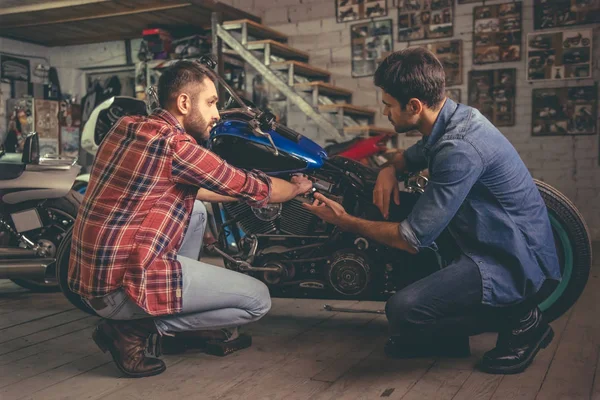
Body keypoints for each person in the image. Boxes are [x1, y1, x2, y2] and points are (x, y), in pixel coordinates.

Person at [304, 47, 561, 375]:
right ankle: (447, 338)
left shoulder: (459, 149)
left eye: (388, 105)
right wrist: (389, 170)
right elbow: (410, 158)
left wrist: (346, 222)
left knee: (402, 311)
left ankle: (523, 321)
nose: (385, 112)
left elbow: (411, 239)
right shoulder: (453, 119)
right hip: (490, 235)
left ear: (414, 106)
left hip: (511, 259)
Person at [68, 60, 313, 378]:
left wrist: (235, 189)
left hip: (91, 281)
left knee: (195, 211)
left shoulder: (127, 126)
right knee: (257, 301)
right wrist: (296, 188)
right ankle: (135, 330)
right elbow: (253, 187)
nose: (216, 114)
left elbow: (198, 188)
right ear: (184, 102)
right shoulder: (178, 148)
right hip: (120, 291)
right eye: (211, 103)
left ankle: (160, 315)